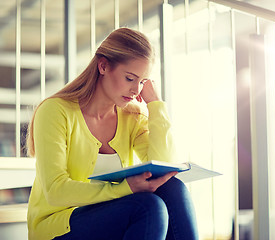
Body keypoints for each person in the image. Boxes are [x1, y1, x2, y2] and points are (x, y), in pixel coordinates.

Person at [26, 27, 198, 240]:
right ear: (103, 66)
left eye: (143, 82)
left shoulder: (132, 117)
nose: (136, 90)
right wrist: (125, 188)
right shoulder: (55, 111)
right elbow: (55, 191)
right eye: (130, 78)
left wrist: (155, 104)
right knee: (147, 207)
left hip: (111, 216)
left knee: (173, 188)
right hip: (58, 224)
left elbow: (164, 168)